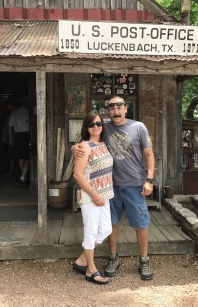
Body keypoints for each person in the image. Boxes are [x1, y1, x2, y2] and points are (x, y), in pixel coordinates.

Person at [72, 96, 155, 280]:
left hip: (135, 185)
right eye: (111, 107)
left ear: (126, 108)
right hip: (111, 187)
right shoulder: (104, 127)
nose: (116, 110)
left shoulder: (138, 127)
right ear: (108, 111)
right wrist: (74, 148)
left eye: (119, 106)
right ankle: (112, 258)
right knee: (112, 224)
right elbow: (86, 141)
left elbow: (149, 154)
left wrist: (149, 179)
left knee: (141, 223)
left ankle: (144, 260)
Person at [72, 111, 113, 285]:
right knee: (90, 232)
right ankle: (90, 269)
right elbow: (78, 175)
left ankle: (81, 261)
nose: (95, 127)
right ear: (86, 127)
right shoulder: (84, 146)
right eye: (91, 124)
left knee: (105, 230)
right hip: (91, 196)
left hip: (105, 194)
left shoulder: (104, 144)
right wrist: (94, 195)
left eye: (98, 124)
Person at [8, 96, 30, 187]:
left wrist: (10, 138)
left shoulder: (14, 113)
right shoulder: (28, 112)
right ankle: (22, 177)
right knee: (27, 158)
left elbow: (10, 126)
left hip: (17, 135)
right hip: (26, 135)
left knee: (20, 158)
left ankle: (23, 177)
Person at [2, 101, 17, 176]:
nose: (8, 110)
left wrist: (10, 138)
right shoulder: (11, 115)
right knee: (11, 154)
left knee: (12, 154)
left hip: (12, 137)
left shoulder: (13, 115)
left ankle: (12, 170)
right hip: (10, 137)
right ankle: (13, 169)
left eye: (9, 109)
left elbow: (10, 127)